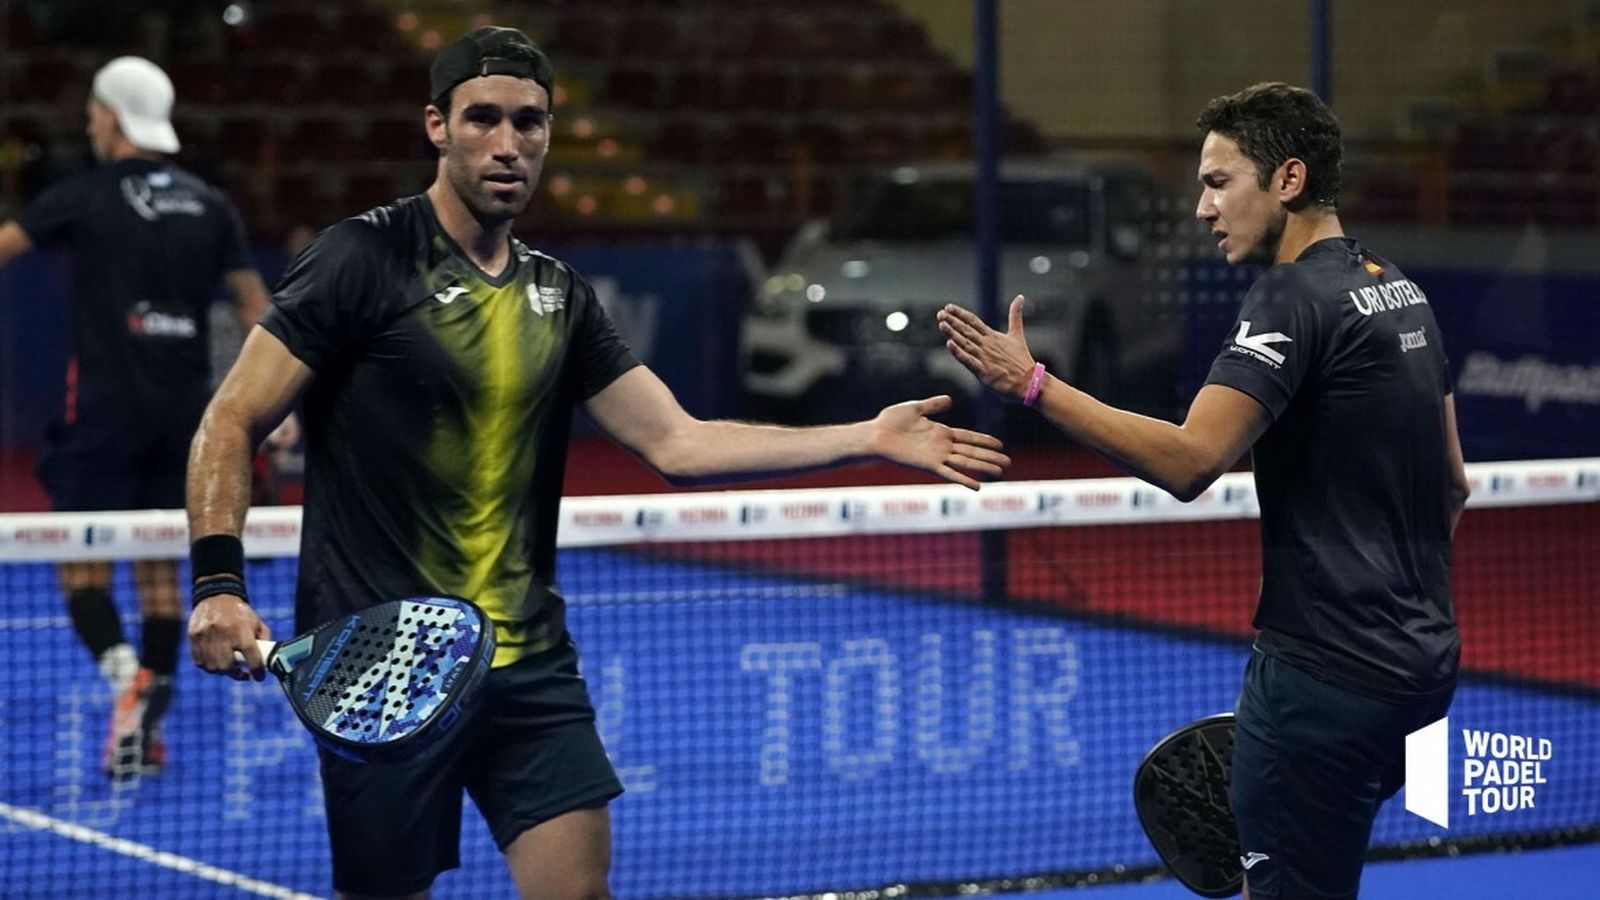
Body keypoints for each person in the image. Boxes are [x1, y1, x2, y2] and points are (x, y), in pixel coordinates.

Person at [183, 26, 1010, 900]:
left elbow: (678, 441)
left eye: (530, 124)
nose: (509, 145)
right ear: (436, 126)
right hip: (382, 672)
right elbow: (231, 419)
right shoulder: (361, 259)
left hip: (528, 663)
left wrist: (863, 437)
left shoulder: (561, 296)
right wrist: (217, 584)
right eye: (484, 120)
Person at [938, 82, 1470, 899]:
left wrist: (1036, 385)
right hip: (1421, 670)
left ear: (1286, 180)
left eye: (1220, 182)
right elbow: (1454, 485)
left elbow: (1192, 461)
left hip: (1321, 680)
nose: (1201, 207)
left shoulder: (1291, 297)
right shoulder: (1399, 289)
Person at [0, 55, 276, 779]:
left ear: (112, 118)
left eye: (94, 113)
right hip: (186, 420)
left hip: (101, 415)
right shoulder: (211, 205)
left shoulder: (84, 194)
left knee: (81, 572)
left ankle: (130, 679)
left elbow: (5, 247)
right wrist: (286, 403)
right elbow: (255, 306)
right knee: (160, 577)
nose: (91, 124)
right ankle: (146, 724)